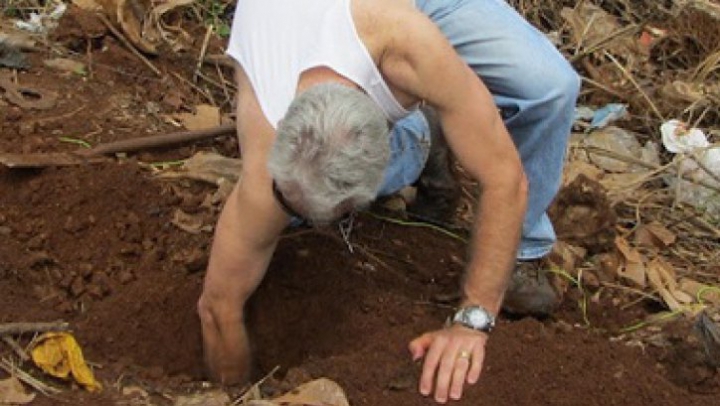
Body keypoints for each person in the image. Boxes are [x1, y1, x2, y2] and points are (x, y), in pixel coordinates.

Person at [198, 0, 580, 403]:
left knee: (550, 86)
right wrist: (235, 394)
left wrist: (473, 321)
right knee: (284, 219)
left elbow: (505, 178)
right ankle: (420, 138)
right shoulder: (265, 159)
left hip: (398, 16)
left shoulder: (407, 43)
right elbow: (216, 308)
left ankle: (519, 250)